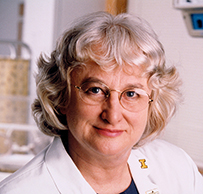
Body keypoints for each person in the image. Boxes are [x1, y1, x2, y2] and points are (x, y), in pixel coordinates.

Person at [0, 11, 202, 194]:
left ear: (152, 102)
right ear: (61, 96)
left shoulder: (178, 168)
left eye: (131, 94)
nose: (113, 115)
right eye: (95, 90)